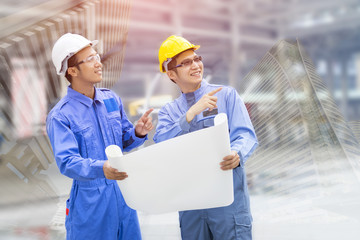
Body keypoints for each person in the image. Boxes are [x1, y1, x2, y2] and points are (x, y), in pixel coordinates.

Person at [46, 33, 153, 240]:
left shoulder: (111, 99)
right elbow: (67, 162)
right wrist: (101, 168)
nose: (98, 64)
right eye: (90, 59)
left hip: (123, 195)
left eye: (97, 57)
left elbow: (124, 140)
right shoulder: (61, 116)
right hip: (91, 203)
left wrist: (138, 132)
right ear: (72, 70)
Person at [153, 35, 258, 240]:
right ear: (171, 73)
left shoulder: (226, 96)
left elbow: (246, 135)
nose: (195, 65)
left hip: (228, 203)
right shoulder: (169, 112)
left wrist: (237, 153)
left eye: (197, 59)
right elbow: (162, 144)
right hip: (191, 205)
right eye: (186, 63)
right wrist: (190, 115)